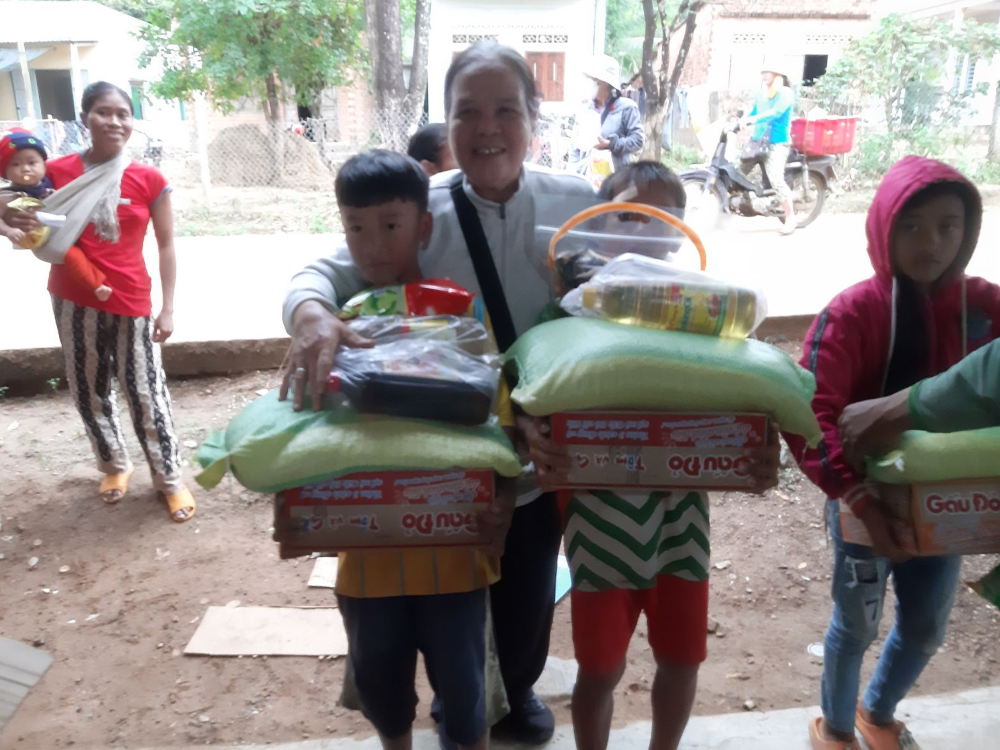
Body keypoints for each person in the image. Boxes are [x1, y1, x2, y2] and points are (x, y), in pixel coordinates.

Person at [281, 41, 595, 745]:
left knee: (527, 593)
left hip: (541, 450)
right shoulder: (424, 212)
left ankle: (513, 690)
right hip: (454, 445)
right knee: (453, 594)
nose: (487, 128)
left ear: (533, 118)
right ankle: (460, 702)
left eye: (505, 109)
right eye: (467, 112)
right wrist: (310, 314)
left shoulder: (578, 203)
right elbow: (323, 273)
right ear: (445, 123)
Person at [543, 160, 780, 750]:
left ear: (679, 234)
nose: (645, 232)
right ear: (593, 226)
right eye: (628, 214)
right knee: (599, 668)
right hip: (600, 522)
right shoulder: (570, 309)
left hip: (681, 518)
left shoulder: (697, 313)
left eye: (662, 219)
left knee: (682, 656)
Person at [783, 156, 1000, 750]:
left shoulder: (986, 307)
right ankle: (834, 727)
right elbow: (810, 412)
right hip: (861, 504)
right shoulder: (852, 313)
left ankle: (877, 711)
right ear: (883, 228)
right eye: (912, 226)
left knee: (927, 627)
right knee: (854, 624)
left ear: (969, 230)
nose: (932, 243)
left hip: (948, 508)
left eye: (950, 225)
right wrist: (856, 497)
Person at [329, 149, 516, 750]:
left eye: (391, 224)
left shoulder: (461, 314)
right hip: (368, 552)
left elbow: (501, 419)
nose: (373, 244)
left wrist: (505, 501)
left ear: (423, 225)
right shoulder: (339, 323)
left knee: (465, 701)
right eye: (355, 227)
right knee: (383, 688)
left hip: (455, 549)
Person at [2, 82, 196, 523]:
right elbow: (14, 199)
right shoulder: (56, 171)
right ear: (85, 118)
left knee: (146, 391)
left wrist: (168, 307)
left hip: (132, 297)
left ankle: (169, 479)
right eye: (103, 112)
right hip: (72, 296)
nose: (114, 121)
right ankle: (113, 465)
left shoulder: (150, 179)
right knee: (89, 386)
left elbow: (166, 245)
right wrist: (10, 215)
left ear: (132, 121)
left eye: (123, 113)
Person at [839, 337, 1000, 465]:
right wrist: (855, 494)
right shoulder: (852, 309)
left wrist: (905, 407)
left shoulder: (980, 300)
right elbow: (823, 412)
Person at [0, 127, 113, 301]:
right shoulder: (6, 195)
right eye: (15, 164)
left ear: (45, 165)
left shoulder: (53, 181)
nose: (25, 169)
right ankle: (96, 284)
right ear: (5, 172)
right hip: (42, 238)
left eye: (32, 163)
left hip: (64, 228)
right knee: (71, 255)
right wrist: (8, 230)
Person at [741, 61, 796, 235]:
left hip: (777, 144)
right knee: (736, 172)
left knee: (776, 180)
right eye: (763, 72)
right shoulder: (761, 94)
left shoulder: (785, 93)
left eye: (768, 72)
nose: (764, 75)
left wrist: (753, 119)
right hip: (757, 142)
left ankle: (790, 218)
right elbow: (754, 110)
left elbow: (776, 113)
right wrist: (741, 119)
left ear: (778, 75)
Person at [570, 54, 644, 172]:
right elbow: (575, 147)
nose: (587, 82)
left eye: (592, 79)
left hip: (616, 180)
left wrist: (612, 144)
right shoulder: (585, 109)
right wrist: (573, 171)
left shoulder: (627, 108)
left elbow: (638, 140)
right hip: (586, 181)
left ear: (604, 82)